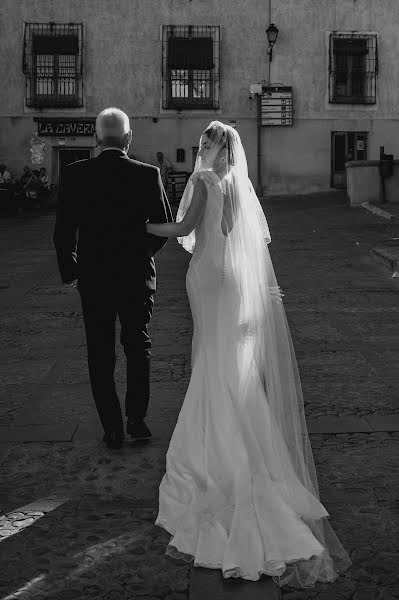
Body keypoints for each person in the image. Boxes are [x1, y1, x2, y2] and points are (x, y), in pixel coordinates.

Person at [146, 121, 351, 588]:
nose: (201, 149)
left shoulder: (202, 181)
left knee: (212, 361)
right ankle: (248, 445)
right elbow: (231, 232)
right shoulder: (237, 185)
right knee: (227, 363)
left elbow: (184, 227)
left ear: (215, 149)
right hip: (232, 280)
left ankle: (215, 452)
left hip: (207, 278)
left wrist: (140, 225)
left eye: (206, 143)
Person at [53, 107, 173, 450]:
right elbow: (163, 227)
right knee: (138, 347)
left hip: (94, 278)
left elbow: (63, 232)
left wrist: (72, 272)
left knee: (99, 353)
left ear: (96, 139)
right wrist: (141, 255)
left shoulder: (75, 174)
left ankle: (111, 428)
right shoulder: (148, 174)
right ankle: (136, 420)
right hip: (136, 278)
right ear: (129, 138)